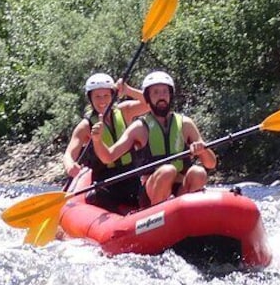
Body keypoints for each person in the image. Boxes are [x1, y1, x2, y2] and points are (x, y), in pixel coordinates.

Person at [91, 70, 216, 207]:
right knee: (167, 171)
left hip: (181, 187)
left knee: (198, 172)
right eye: (155, 92)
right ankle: (159, 218)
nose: (161, 96)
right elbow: (108, 157)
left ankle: (191, 213)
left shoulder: (185, 124)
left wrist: (202, 150)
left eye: (164, 92)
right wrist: (97, 140)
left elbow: (211, 163)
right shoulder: (139, 128)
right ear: (148, 97)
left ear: (170, 95)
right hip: (151, 191)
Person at [62, 73, 149, 210]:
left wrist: (128, 90)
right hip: (105, 182)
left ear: (113, 96)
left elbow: (150, 103)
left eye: (106, 95)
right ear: (90, 98)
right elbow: (69, 154)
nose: (102, 100)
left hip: (131, 175)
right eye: (97, 96)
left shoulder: (125, 111)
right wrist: (70, 166)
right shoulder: (85, 126)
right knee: (97, 197)